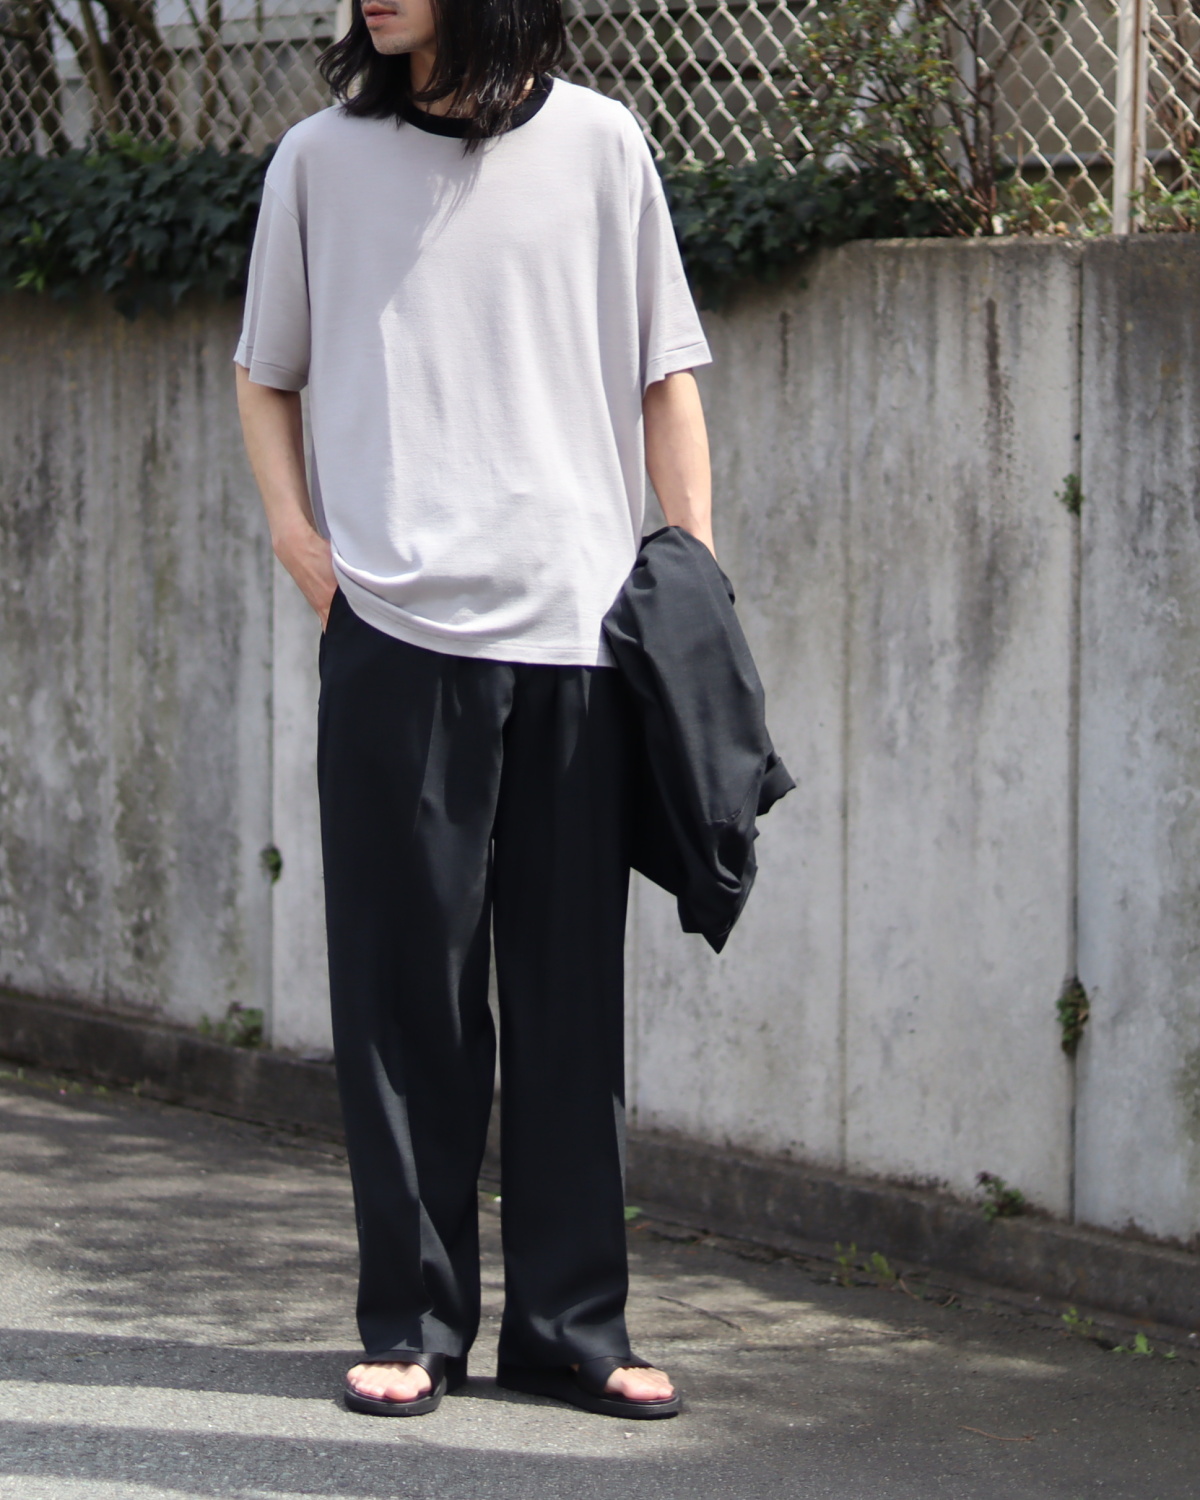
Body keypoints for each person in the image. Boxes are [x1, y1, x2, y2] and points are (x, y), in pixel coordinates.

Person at [234, 0, 713, 1421]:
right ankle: (414, 1323)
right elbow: (266, 372)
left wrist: (689, 582)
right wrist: (301, 543)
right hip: (392, 634)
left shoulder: (604, 145)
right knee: (407, 1005)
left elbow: (667, 376)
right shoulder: (319, 161)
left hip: (579, 638)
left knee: (571, 1003)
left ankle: (571, 1327)